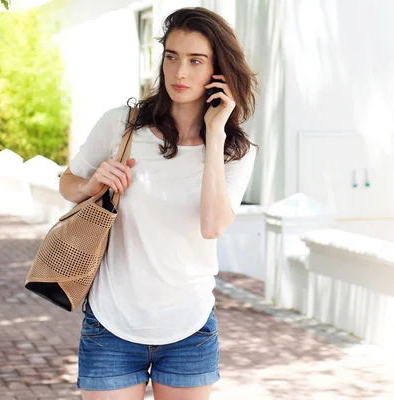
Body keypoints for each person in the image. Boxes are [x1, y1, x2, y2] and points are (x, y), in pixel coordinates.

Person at [58, 7, 258, 400]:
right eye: (172, 56)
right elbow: (67, 183)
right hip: (111, 324)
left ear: (219, 71)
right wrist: (90, 185)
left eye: (195, 61)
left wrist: (214, 136)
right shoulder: (123, 124)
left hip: (189, 328)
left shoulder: (236, 150)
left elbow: (213, 225)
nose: (179, 72)